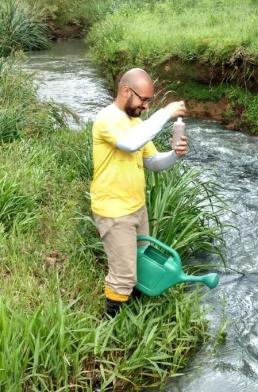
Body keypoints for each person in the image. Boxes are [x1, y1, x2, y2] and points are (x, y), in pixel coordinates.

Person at [90, 68, 188, 317]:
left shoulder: (136, 122)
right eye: (143, 99)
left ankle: (133, 313)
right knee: (123, 274)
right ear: (125, 91)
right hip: (114, 210)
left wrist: (174, 156)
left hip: (136, 207)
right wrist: (166, 112)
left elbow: (153, 161)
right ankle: (109, 325)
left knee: (139, 263)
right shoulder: (107, 120)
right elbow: (130, 143)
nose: (145, 106)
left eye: (149, 101)